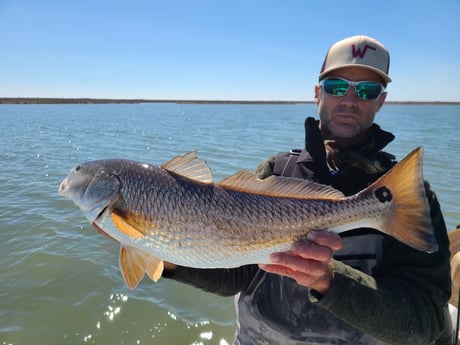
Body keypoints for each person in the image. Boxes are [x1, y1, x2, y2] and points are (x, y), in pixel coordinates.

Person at [162, 35, 452, 345]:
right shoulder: (275, 172)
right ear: (318, 94)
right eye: (337, 87)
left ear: (381, 101)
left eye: (366, 90)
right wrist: (168, 255)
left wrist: (330, 281)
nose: (350, 101)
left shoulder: (400, 194)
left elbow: (426, 320)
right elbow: (239, 274)